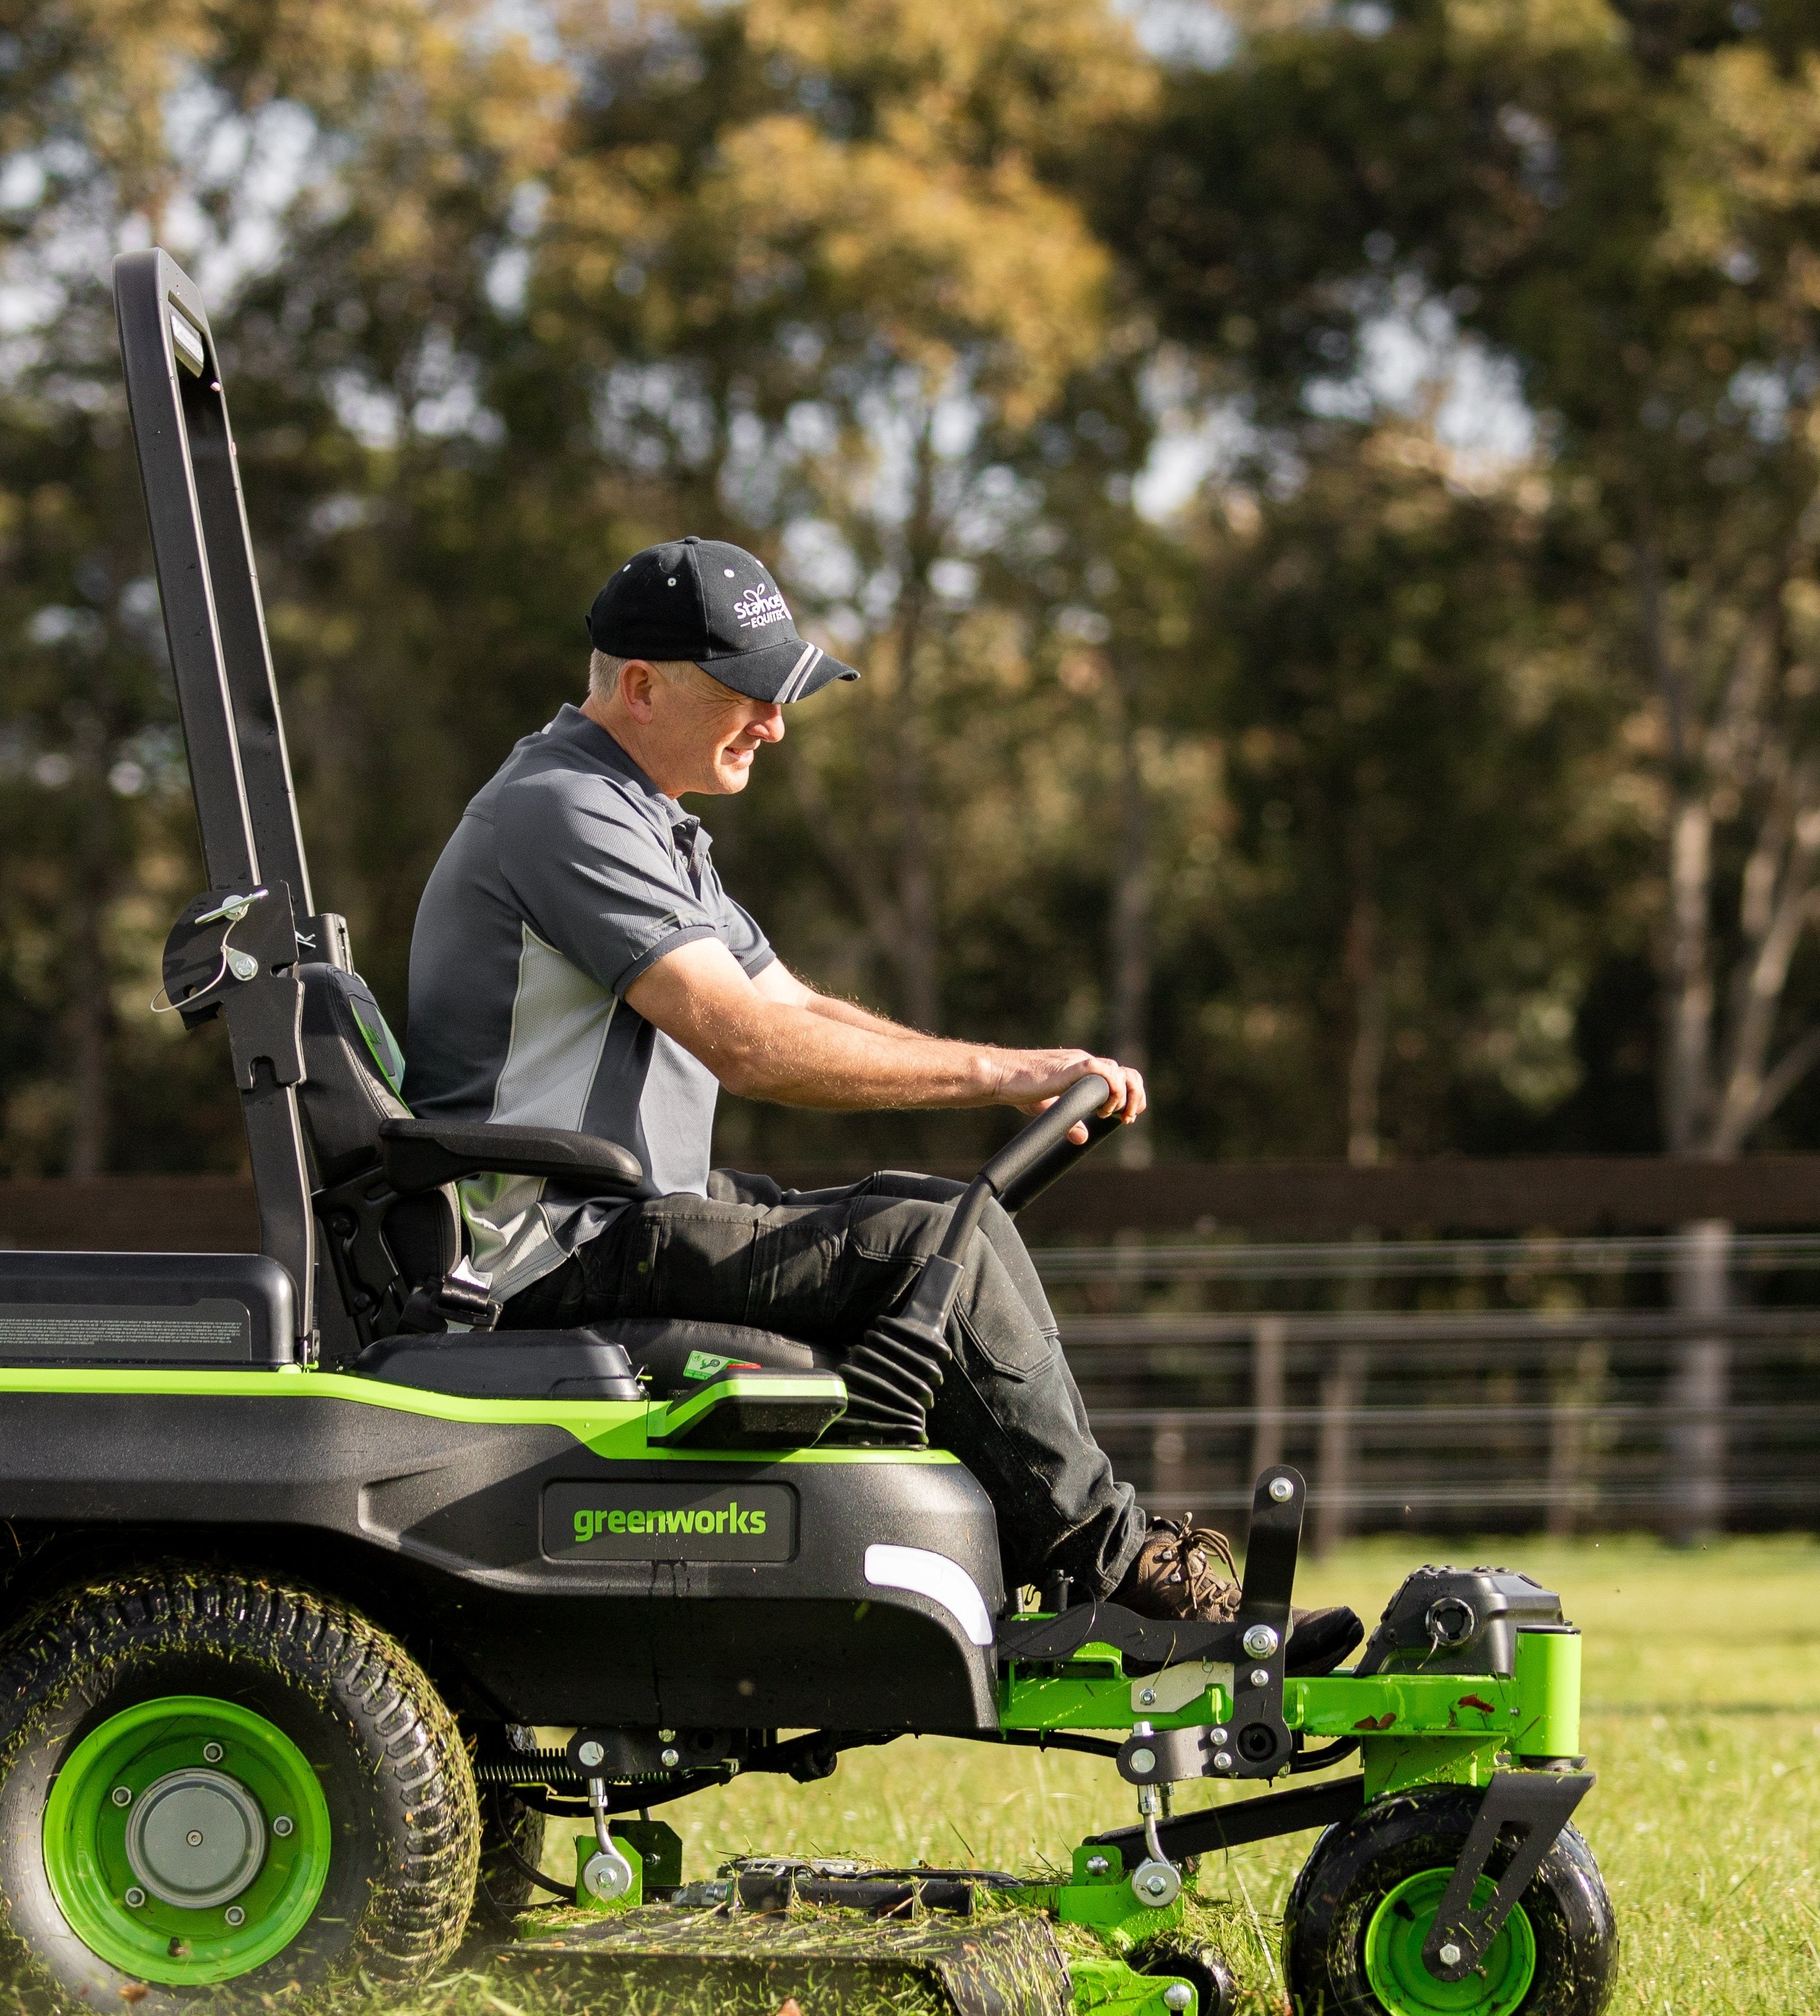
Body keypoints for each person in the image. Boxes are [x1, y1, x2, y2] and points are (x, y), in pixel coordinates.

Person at [401, 536, 1238, 1622]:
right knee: (934, 1247)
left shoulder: (638, 813)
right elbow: (747, 1045)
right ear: (642, 687)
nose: (777, 723)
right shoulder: (564, 812)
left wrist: (1019, 1072)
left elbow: (790, 1002)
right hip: (556, 1248)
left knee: (946, 1221)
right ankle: (1121, 1585)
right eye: (749, 692)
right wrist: (995, 1073)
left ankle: (1092, 1566)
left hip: (616, 1217)